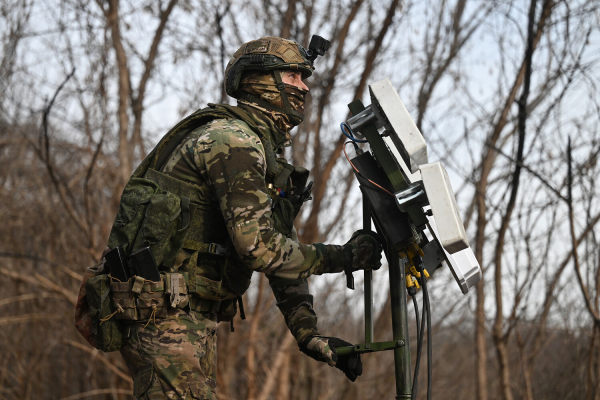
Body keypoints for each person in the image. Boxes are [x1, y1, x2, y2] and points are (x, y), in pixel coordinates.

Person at [113, 36, 383, 399]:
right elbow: (258, 248)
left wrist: (310, 335)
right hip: (164, 318)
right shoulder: (231, 141)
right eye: (293, 76)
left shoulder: (259, 148)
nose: (303, 87)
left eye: (304, 78)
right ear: (258, 79)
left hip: (188, 319)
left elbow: (280, 254)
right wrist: (343, 257)